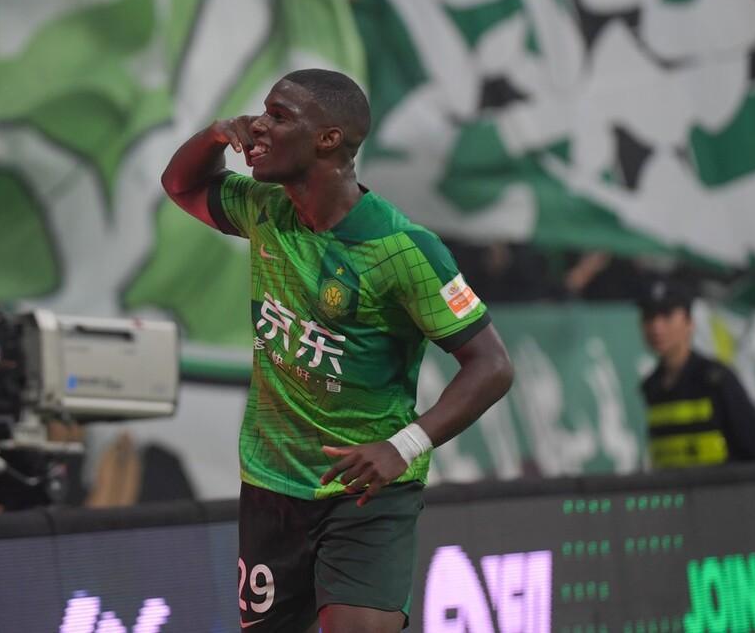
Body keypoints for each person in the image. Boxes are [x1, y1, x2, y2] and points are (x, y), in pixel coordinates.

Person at [161, 69, 514, 633]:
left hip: (366, 489)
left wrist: (404, 444)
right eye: (263, 112)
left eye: (279, 116)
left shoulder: (404, 249)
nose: (259, 125)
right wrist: (213, 135)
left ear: (328, 139)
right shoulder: (266, 210)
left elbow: (492, 366)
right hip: (272, 484)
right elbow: (181, 186)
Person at [638, 277, 755, 469]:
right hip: (675, 488)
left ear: (689, 322)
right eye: (649, 317)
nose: (656, 327)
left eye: (667, 316)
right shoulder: (651, 387)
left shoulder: (716, 380)